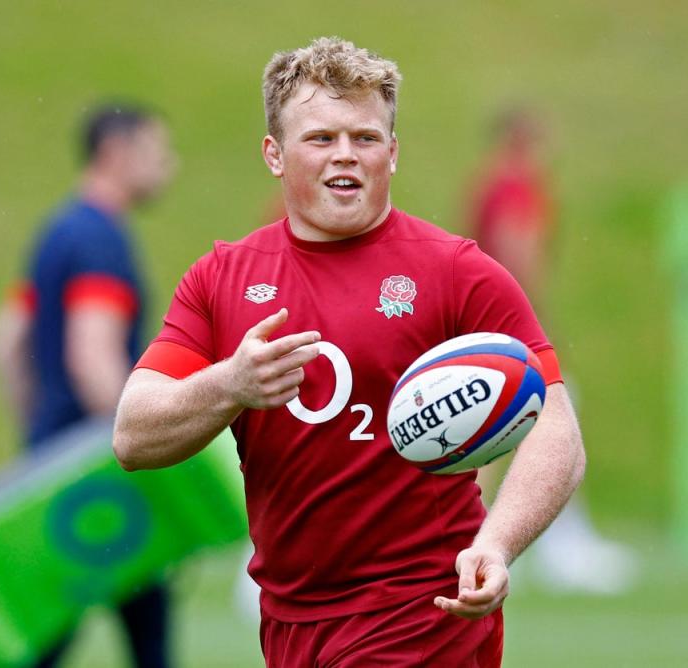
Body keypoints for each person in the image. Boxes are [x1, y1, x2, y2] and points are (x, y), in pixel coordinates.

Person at [113, 38, 585, 667]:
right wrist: (230, 384)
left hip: (425, 614)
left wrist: (495, 545)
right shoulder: (221, 277)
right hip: (291, 623)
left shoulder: (457, 273)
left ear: (393, 152)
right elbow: (132, 435)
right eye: (321, 138)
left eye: (365, 138)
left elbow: (556, 427)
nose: (346, 155)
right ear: (274, 155)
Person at [0, 103, 176, 668]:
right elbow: (93, 357)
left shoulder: (60, 230)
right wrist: (140, 442)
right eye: (157, 154)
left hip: (56, 459)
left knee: (67, 622)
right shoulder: (100, 241)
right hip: (100, 471)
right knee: (141, 632)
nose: (169, 167)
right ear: (117, 154)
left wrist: (40, 438)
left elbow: (4, 345)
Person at [469, 107, 637, 595]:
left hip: (483, 324)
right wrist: (531, 320)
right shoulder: (517, 188)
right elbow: (516, 250)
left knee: (504, 432)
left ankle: (560, 540)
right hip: (507, 326)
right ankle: (560, 548)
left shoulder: (488, 183)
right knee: (543, 422)